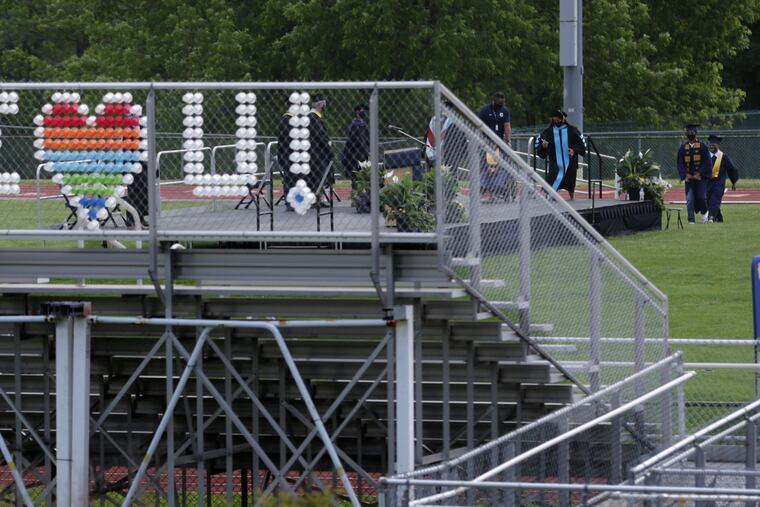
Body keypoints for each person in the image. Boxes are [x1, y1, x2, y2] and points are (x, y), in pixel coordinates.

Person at [534, 109, 586, 200]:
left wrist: (574, 150)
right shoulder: (548, 132)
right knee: (554, 175)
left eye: (558, 120)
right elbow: (538, 144)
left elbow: (582, 143)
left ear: (563, 119)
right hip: (555, 160)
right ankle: (551, 195)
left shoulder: (572, 130)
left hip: (570, 160)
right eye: (555, 120)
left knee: (570, 178)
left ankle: (572, 198)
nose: (557, 122)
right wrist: (543, 146)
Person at [477, 92, 513, 201]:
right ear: (494, 99)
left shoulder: (504, 110)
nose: (502, 104)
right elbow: (480, 127)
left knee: (499, 165)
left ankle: (496, 187)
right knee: (488, 165)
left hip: (499, 141)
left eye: (503, 102)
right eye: (500, 102)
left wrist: (508, 140)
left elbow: (507, 127)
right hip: (486, 141)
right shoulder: (484, 110)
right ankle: (487, 187)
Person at [676, 123, 711, 224]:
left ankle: (704, 215)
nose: (690, 134)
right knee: (690, 199)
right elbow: (680, 163)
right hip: (689, 178)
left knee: (702, 198)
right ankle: (691, 221)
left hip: (700, 178)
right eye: (688, 132)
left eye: (692, 132)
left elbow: (707, 162)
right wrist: (685, 175)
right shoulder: (683, 147)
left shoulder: (703, 146)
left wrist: (700, 174)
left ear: (696, 134)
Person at [705, 134, 739, 223]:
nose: (712, 146)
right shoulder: (706, 156)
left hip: (719, 183)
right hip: (707, 183)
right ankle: (719, 218)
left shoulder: (723, 157)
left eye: (714, 144)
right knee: (708, 201)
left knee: (715, 200)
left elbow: (732, 169)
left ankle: (711, 217)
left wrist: (733, 182)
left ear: (718, 145)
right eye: (710, 144)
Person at [308, 93, 333, 207]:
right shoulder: (313, 117)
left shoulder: (316, 117)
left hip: (318, 152)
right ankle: (315, 200)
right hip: (316, 153)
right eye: (324, 103)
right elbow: (320, 135)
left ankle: (320, 199)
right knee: (317, 176)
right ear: (320, 104)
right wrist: (328, 148)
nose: (325, 106)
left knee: (320, 176)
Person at [340, 103, 369, 190]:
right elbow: (355, 141)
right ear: (357, 111)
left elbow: (366, 141)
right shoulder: (354, 125)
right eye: (362, 109)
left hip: (363, 155)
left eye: (365, 110)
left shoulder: (364, 125)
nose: (364, 112)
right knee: (354, 179)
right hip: (353, 156)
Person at [277, 105, 298, 211]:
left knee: (295, 178)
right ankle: (290, 202)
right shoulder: (286, 120)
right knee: (290, 178)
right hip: (288, 155)